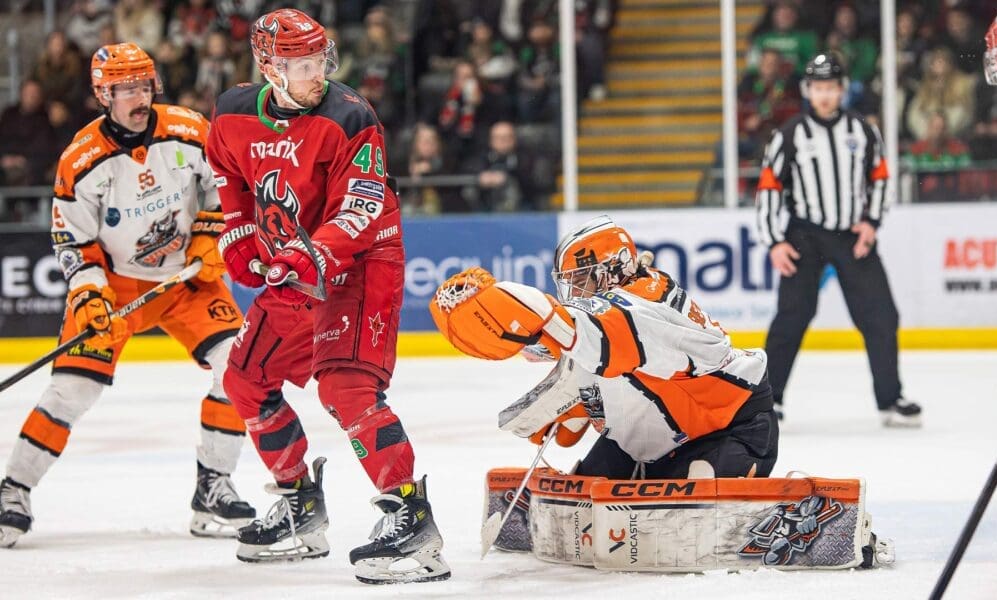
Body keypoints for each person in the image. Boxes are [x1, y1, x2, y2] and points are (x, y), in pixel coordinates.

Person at [205, 8, 449, 584]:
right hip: (295, 264)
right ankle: (298, 507)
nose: (321, 74)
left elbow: (359, 209)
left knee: (346, 387)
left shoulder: (350, 116)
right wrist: (239, 234)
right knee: (245, 378)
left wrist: (307, 254)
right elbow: (232, 179)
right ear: (269, 67)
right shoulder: (231, 114)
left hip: (361, 261)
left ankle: (411, 518)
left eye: (321, 61)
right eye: (305, 65)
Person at [0, 42, 254, 548]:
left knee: (241, 365)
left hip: (187, 279)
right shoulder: (81, 159)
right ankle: (13, 491)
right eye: (125, 89)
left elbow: (226, 187)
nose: (138, 97)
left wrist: (208, 237)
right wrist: (91, 297)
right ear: (103, 95)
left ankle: (213, 489)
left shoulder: (189, 128)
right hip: (115, 285)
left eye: (143, 85)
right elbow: (73, 240)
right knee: (72, 392)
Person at [431, 215, 779, 481]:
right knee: (588, 482)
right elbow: (595, 356)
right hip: (667, 434)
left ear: (612, 269)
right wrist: (575, 405)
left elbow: (588, 335)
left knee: (698, 490)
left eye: (582, 281)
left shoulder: (646, 305)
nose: (577, 293)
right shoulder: (612, 316)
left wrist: (509, 304)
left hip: (732, 426)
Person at [755, 53, 921, 428]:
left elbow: (880, 177)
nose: (825, 95)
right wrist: (774, 242)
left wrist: (871, 223)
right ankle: (767, 401)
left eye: (831, 88)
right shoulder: (789, 135)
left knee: (881, 315)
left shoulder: (862, 130)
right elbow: (768, 188)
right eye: (818, 88)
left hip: (851, 235)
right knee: (791, 317)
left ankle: (890, 398)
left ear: (842, 90)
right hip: (804, 234)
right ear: (807, 90)